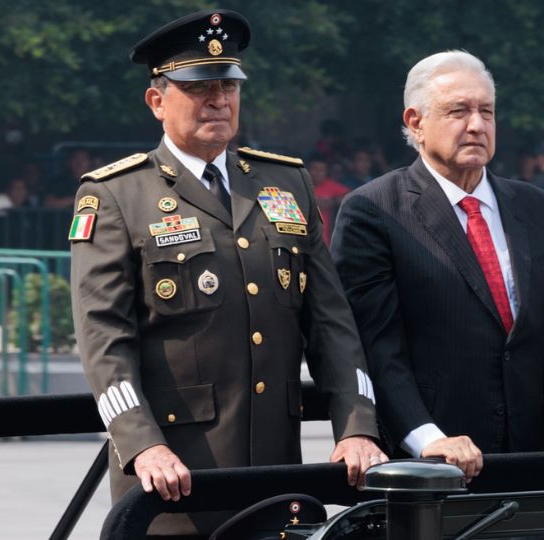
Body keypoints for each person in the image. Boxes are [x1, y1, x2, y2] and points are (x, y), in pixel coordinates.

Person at [69, 10, 384, 537]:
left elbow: (332, 323)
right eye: (199, 88)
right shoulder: (117, 195)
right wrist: (142, 442)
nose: (219, 100)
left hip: (274, 481)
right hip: (173, 486)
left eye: (228, 86)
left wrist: (355, 427)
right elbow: (104, 339)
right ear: (156, 101)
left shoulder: (285, 183)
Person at [331, 51, 544, 483]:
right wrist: (428, 438)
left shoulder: (539, 209)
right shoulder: (375, 211)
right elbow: (378, 350)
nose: (476, 125)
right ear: (415, 121)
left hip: (524, 465)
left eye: (487, 111)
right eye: (458, 111)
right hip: (427, 472)